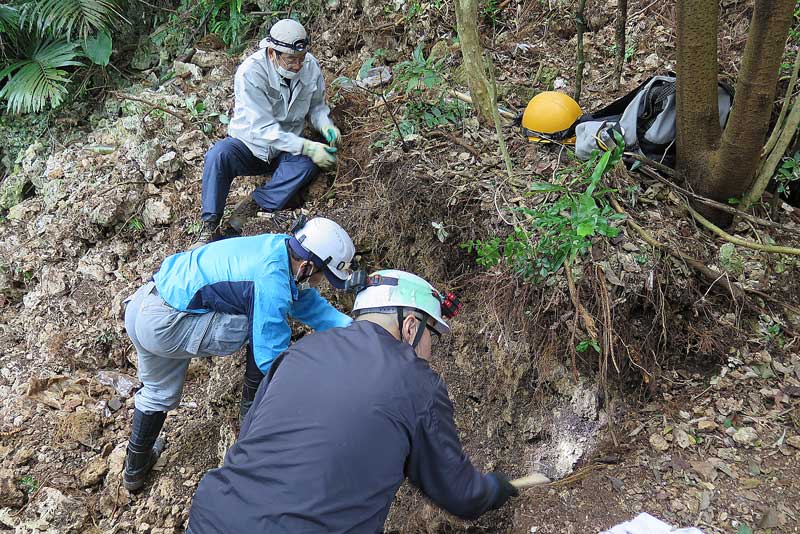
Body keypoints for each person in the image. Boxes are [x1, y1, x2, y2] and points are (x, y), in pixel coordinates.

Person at [187, 270, 518, 533]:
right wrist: (493, 489)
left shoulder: (299, 351)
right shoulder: (415, 381)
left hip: (214, 515)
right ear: (410, 325)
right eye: (432, 334)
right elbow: (459, 493)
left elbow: (250, 436)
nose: (431, 348)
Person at [121, 216, 355, 492]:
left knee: (159, 392)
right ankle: (251, 413)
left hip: (144, 304)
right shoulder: (270, 280)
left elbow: (302, 300)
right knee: (260, 325)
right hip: (166, 325)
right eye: (321, 277)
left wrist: (355, 329)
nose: (320, 283)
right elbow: (270, 356)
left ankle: (135, 471)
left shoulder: (277, 248)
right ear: (307, 266)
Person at [198, 18, 341, 243]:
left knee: (307, 164)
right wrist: (307, 146)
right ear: (273, 53)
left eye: (301, 58)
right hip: (250, 146)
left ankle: (253, 207)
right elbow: (263, 128)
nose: (298, 65)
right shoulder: (251, 72)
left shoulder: (310, 66)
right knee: (219, 155)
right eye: (291, 59)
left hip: (287, 149)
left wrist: (325, 125)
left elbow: (316, 107)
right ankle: (210, 225)